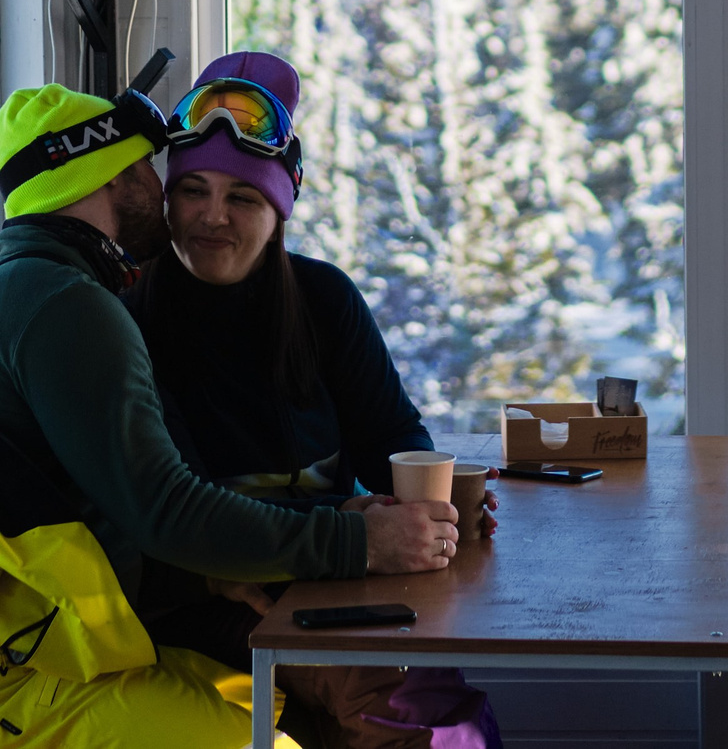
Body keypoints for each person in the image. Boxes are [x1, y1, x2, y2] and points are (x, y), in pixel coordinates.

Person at [0, 81, 459, 749]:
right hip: (28, 668)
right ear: (107, 174)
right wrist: (350, 537)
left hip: (46, 636)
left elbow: (124, 518)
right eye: (155, 172)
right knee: (394, 703)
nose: (170, 194)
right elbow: (167, 512)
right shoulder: (78, 311)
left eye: (243, 196)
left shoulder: (27, 290)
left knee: (402, 692)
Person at [129, 51, 501, 749]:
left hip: (332, 578)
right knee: (408, 704)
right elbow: (174, 518)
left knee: (435, 690)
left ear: (280, 208)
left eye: (241, 197)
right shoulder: (128, 321)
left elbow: (393, 440)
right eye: (193, 191)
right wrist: (350, 519)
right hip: (207, 596)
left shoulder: (324, 300)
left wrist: (444, 502)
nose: (212, 216)